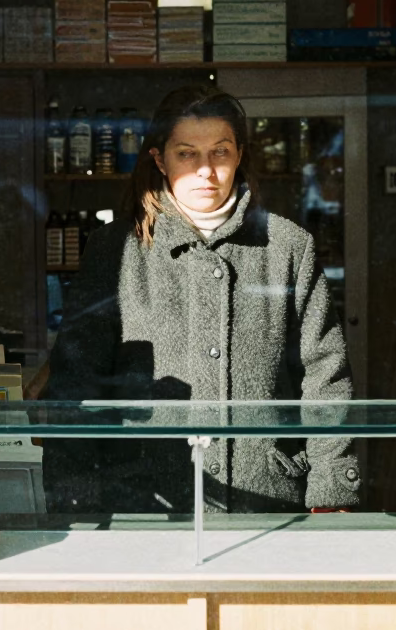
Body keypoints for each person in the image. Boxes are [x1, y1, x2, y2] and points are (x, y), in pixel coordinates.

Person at [44, 85, 360, 514]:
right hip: (144, 497)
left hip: (265, 495)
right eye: (187, 154)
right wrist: (74, 498)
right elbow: (76, 383)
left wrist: (331, 491)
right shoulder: (114, 249)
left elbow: (325, 378)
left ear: (240, 155)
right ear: (160, 159)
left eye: (221, 152)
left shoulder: (288, 246)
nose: (206, 172)